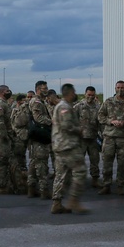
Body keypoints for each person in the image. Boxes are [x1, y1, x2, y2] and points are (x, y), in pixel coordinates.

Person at [51, 83, 88, 214]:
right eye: (74, 92)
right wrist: (79, 130)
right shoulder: (64, 107)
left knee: (61, 175)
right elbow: (67, 126)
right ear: (70, 93)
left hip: (60, 145)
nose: (75, 94)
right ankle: (74, 199)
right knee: (80, 171)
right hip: (68, 145)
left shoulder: (60, 106)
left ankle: (57, 203)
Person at [97, 80, 124, 195]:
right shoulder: (108, 102)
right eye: (118, 87)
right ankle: (106, 185)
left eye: (122, 87)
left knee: (122, 163)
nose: (120, 89)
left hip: (123, 137)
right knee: (107, 162)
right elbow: (100, 116)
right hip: (109, 136)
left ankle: (120, 186)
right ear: (115, 88)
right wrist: (111, 121)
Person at [26, 81, 53, 199]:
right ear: (38, 89)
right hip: (39, 136)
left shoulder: (41, 101)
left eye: (46, 88)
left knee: (33, 163)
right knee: (41, 163)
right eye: (44, 88)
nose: (46, 90)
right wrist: (52, 121)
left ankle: (31, 188)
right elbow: (38, 118)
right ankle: (44, 190)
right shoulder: (37, 102)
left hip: (37, 136)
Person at [75, 86, 102, 188]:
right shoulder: (79, 106)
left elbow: (100, 122)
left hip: (93, 138)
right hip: (81, 139)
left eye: (92, 95)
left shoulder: (98, 107)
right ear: (85, 94)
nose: (90, 97)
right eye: (89, 94)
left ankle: (95, 179)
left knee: (95, 160)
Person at [0, 85, 14, 194]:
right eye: (7, 90)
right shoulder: (0, 104)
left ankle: (1, 184)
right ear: (1, 92)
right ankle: (1, 186)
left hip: (4, 136)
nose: (9, 92)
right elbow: (0, 122)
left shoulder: (5, 104)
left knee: (2, 161)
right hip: (0, 137)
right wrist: (6, 136)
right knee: (1, 161)